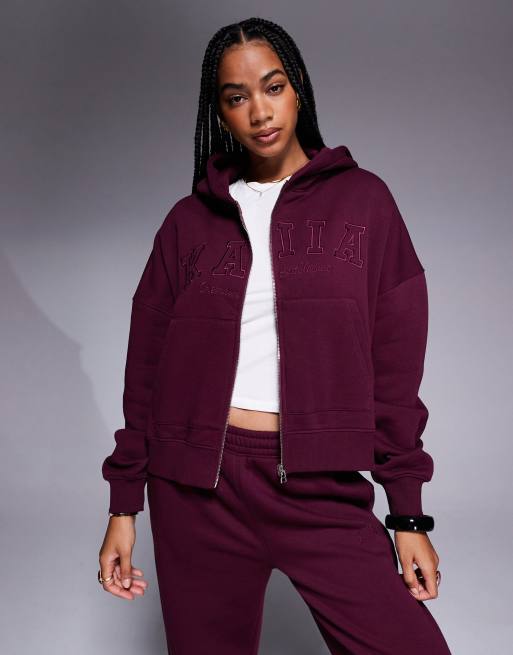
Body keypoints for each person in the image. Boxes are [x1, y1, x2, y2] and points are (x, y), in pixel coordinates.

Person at [98, 16, 452, 655]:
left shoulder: (364, 203)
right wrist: (124, 505)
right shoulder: (188, 223)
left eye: (273, 87)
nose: (259, 111)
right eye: (237, 97)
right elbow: (144, 367)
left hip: (317, 484)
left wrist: (406, 513)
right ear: (220, 113)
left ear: (299, 89)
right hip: (197, 490)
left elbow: (397, 369)